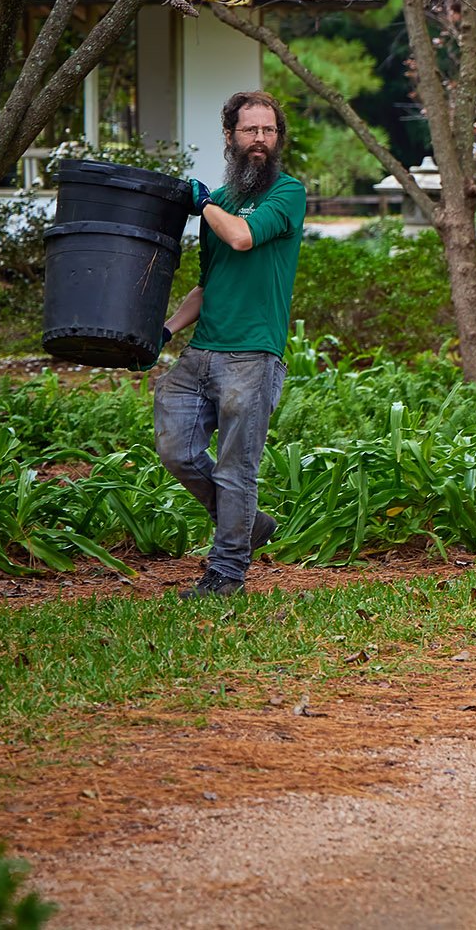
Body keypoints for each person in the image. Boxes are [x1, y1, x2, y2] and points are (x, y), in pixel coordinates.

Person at [153, 92, 307, 599]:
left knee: (236, 468)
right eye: (250, 130)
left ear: (278, 139)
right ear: (230, 137)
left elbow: (242, 238)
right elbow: (209, 283)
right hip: (202, 352)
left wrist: (205, 205)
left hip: (253, 354)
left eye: (269, 131)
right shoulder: (219, 202)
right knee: (176, 450)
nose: (260, 139)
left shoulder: (288, 194)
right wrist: (168, 330)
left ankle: (226, 573)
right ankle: (247, 523)